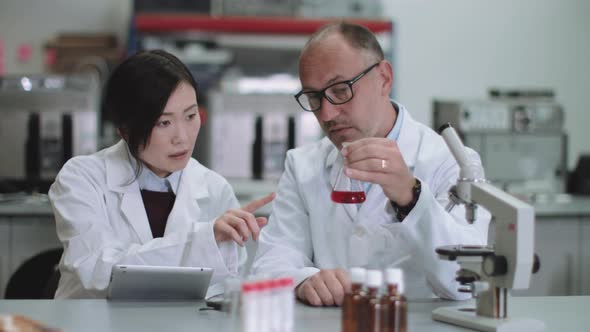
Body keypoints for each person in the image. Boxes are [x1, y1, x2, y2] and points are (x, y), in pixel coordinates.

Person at [251, 22, 490, 306]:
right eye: (314, 97)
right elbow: (269, 265)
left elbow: (467, 283)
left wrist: (410, 197)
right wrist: (303, 280)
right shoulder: (302, 165)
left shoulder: (450, 162)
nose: (327, 113)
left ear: (384, 78)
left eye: (340, 90)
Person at [49, 50, 274, 298]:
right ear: (125, 130)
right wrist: (203, 241)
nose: (183, 137)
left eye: (190, 116)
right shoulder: (82, 178)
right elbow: (97, 270)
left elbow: (226, 291)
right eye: (163, 123)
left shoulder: (214, 188)